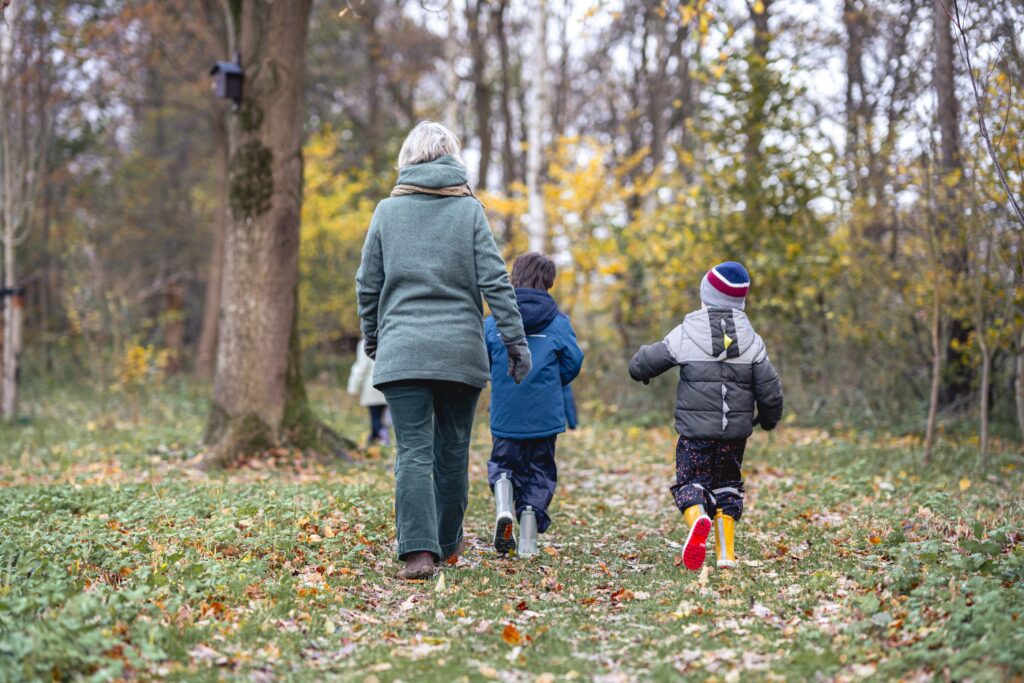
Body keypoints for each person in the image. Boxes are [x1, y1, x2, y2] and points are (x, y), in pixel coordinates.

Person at [356, 121, 531, 580]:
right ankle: (448, 546)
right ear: (450, 157)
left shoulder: (385, 213)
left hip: (403, 350)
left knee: (412, 450)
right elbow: (495, 280)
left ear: (407, 158)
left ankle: (419, 553)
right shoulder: (469, 212)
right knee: (452, 450)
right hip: (459, 352)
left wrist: (373, 335)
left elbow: (367, 284)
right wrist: (515, 341)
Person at [628, 261, 783, 571]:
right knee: (728, 485)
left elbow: (645, 363)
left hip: (695, 434)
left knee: (690, 482)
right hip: (735, 436)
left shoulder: (688, 331)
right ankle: (726, 555)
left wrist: (640, 366)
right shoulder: (752, 340)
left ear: (706, 297)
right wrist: (768, 418)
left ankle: (698, 518)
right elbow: (770, 390)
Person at [484, 252, 584, 555]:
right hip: (544, 414)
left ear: (515, 277)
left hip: (506, 411)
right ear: (548, 281)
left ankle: (504, 504)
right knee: (540, 471)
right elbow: (573, 361)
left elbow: (484, 357)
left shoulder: (495, 320)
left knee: (504, 463)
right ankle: (528, 541)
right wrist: (552, 382)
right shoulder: (557, 321)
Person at [346, 339, 389, 446]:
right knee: (383, 415)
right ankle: (377, 438)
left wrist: (353, 388)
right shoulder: (389, 338)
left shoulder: (365, 342)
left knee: (375, 416)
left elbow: (361, 367)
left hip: (373, 385)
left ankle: (381, 437)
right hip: (388, 383)